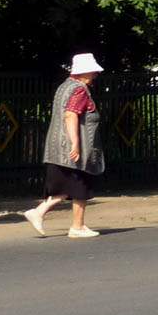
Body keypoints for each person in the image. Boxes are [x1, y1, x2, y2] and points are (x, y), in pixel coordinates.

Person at [24, 53, 106, 238]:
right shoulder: (79, 90)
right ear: (84, 72)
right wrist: (75, 144)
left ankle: (77, 225)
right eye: (93, 71)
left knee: (74, 186)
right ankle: (47, 214)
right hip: (74, 149)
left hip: (57, 147)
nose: (95, 74)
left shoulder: (65, 86)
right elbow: (71, 114)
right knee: (78, 184)